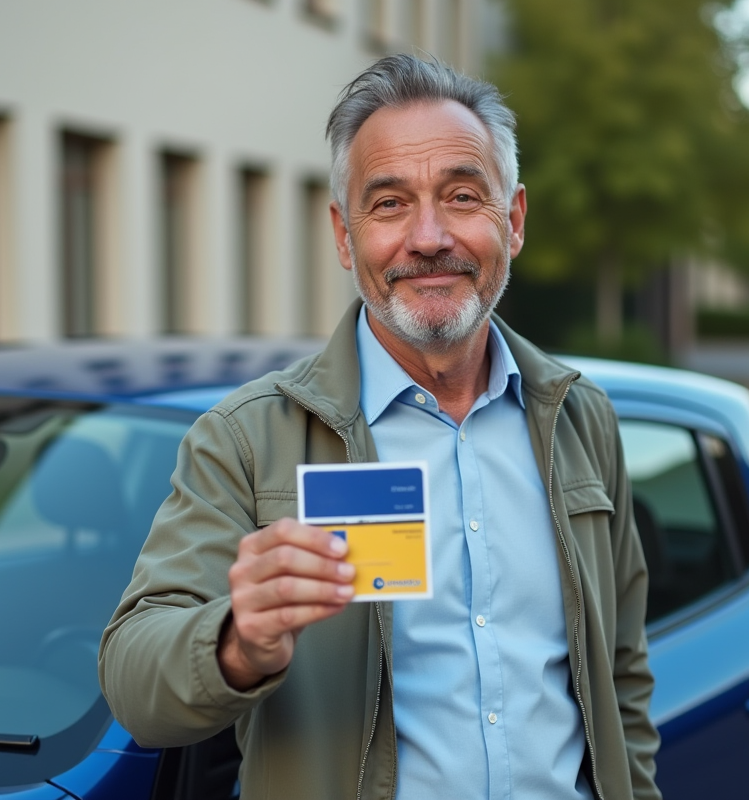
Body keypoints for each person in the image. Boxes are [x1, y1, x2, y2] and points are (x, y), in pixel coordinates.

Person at [100, 54, 660, 800]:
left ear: (514, 220)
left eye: (462, 196)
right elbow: (134, 684)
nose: (428, 237)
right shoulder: (245, 440)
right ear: (343, 233)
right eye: (390, 204)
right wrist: (238, 642)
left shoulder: (579, 417)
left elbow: (621, 673)